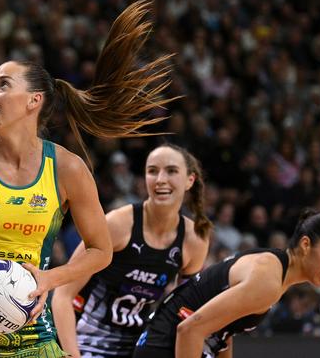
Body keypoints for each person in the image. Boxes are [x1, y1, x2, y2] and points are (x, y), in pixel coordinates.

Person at [0, 0, 177, 358]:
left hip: (30, 321)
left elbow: (100, 249)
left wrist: (50, 278)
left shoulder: (68, 169)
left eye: (3, 85)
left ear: (34, 100)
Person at [132, 209, 320, 358]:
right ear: (305, 244)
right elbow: (189, 329)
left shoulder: (274, 265)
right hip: (164, 347)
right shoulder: (268, 281)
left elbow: (224, 329)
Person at [52, 144, 211, 358]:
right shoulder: (117, 224)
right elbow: (62, 294)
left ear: (190, 180)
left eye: (171, 171)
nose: (161, 179)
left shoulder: (194, 239)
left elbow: (187, 311)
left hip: (140, 345)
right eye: (152, 171)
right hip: (86, 343)